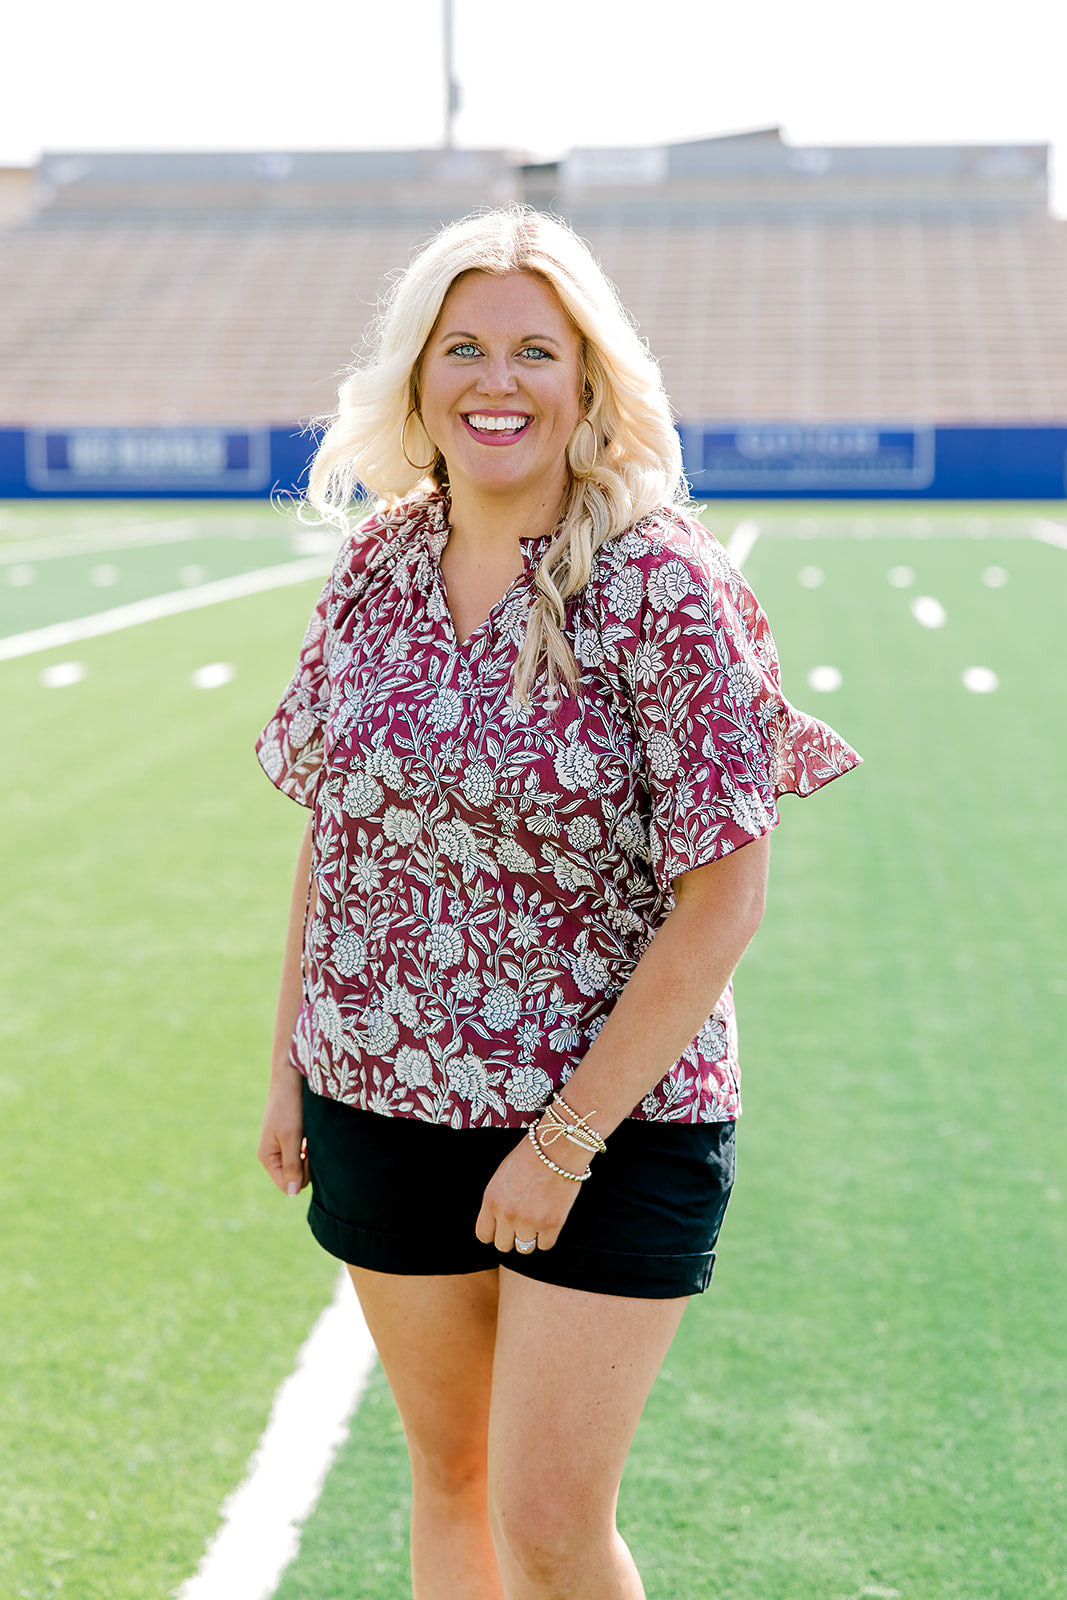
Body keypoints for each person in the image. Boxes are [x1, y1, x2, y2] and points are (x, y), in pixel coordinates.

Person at [256, 206, 860, 1600]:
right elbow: (337, 831)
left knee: (545, 1522)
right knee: (450, 1480)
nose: (496, 379)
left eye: (537, 349)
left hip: (613, 1120)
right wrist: (288, 1063)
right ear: (416, 378)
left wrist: (562, 1144)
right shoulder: (376, 570)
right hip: (383, 1094)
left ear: (590, 383)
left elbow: (725, 893)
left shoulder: (665, 585)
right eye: (462, 346)